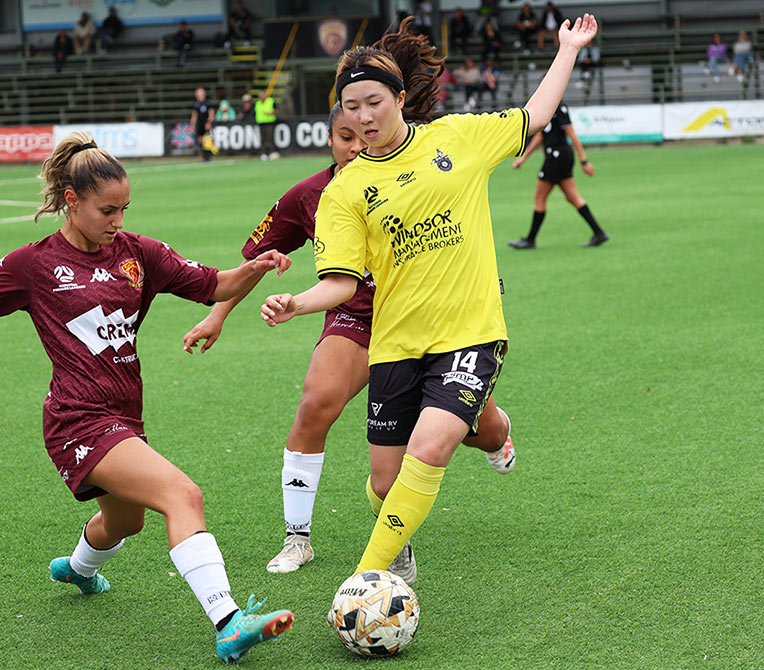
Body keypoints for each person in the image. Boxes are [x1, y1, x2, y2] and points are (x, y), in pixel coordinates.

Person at [0, 131, 295, 664]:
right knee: (182, 495)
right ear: (71, 202)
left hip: (123, 416)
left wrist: (254, 269)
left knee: (126, 523)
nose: (117, 220)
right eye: (106, 210)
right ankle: (230, 622)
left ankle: (77, 568)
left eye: (124, 209)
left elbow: (218, 286)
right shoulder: (32, 264)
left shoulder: (139, 253)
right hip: (77, 420)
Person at [260, 13, 597, 588]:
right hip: (395, 343)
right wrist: (298, 302)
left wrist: (567, 48)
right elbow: (342, 283)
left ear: (398, 96)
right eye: (351, 108)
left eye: (373, 102)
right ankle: (414, 528)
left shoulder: (456, 137)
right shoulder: (343, 191)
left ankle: (365, 581)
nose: (363, 118)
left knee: (433, 444)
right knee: (386, 484)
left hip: (469, 330)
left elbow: (536, 114)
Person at [185, 103, 514, 580]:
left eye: (361, 134)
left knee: (482, 429)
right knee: (316, 403)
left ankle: (497, 432)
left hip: (434, 324)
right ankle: (298, 538)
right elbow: (257, 258)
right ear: (331, 139)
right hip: (358, 320)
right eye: (344, 136)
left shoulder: (413, 162)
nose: (356, 145)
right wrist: (218, 315)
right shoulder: (311, 196)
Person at [508, 102, 609, 249]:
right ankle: (599, 233)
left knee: (539, 198)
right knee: (573, 197)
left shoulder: (558, 108)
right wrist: (524, 158)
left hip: (556, 157)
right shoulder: (547, 108)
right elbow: (542, 136)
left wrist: (584, 160)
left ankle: (530, 240)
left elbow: (572, 135)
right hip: (561, 157)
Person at [190, 87, 215, 161]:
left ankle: (208, 156)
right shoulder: (196, 104)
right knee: (200, 140)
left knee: (207, 140)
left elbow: (211, 113)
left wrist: (209, 122)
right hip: (199, 124)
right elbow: (194, 115)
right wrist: (192, 125)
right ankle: (204, 156)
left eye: (201, 93)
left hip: (206, 124)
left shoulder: (208, 103)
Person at [254, 89, 278, 160]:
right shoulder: (257, 103)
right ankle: (263, 154)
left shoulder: (270, 101)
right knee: (263, 139)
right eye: (260, 96)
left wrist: (270, 113)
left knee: (270, 138)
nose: (262, 97)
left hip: (269, 122)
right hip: (261, 123)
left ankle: (272, 153)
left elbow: (276, 111)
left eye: (263, 95)